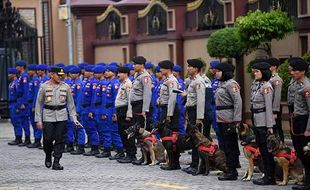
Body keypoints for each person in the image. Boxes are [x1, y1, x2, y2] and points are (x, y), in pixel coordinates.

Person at [35, 67, 79, 170]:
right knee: (47, 139)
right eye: (58, 75)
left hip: (62, 116)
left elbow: (71, 104)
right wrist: (38, 119)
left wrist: (74, 119)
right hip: (48, 116)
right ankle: (48, 155)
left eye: (62, 75)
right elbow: (38, 103)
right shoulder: (44, 86)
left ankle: (56, 161)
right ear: (52, 74)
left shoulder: (66, 87)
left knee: (60, 139)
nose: (61, 77)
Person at [117, 56, 152, 164]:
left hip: (141, 106)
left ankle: (146, 157)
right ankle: (141, 156)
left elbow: (147, 94)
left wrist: (145, 109)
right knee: (136, 132)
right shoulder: (137, 75)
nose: (133, 66)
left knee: (141, 132)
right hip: (135, 105)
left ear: (141, 65)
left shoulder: (145, 77)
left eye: (136, 64)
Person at [214, 62, 242, 181]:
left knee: (231, 145)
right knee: (225, 144)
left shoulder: (231, 84)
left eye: (218, 71)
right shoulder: (223, 84)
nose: (216, 73)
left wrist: (236, 119)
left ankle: (232, 171)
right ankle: (228, 168)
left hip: (229, 118)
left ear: (225, 72)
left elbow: (237, 101)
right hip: (221, 117)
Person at [250, 62, 276, 185]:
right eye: (254, 71)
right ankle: (267, 174)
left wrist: (269, 126)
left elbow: (269, 108)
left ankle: (270, 176)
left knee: (266, 151)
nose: (254, 73)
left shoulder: (266, 86)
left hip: (264, 122)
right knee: (262, 150)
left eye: (257, 71)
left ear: (264, 72)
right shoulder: (259, 85)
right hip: (257, 120)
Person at [288, 57, 310, 190]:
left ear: (302, 71)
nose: (292, 73)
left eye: (294, 70)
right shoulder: (295, 84)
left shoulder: (307, 87)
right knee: (299, 152)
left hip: (304, 121)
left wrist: (308, 129)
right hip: (296, 121)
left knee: (306, 153)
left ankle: (308, 182)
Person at [182, 59, 206, 175]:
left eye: (190, 67)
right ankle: (194, 164)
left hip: (196, 112)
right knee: (192, 139)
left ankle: (197, 165)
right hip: (191, 111)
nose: (188, 68)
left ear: (196, 69)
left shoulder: (199, 81)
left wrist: (199, 117)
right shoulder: (193, 81)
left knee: (196, 139)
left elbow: (201, 100)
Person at [158, 60, 180, 170]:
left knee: (172, 138)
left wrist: (169, 114)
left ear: (167, 69)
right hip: (165, 108)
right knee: (167, 137)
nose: (160, 70)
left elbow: (172, 98)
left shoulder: (172, 81)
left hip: (170, 110)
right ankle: (171, 162)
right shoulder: (166, 80)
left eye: (162, 68)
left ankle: (174, 163)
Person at [114, 66, 134, 161]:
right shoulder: (122, 84)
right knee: (122, 133)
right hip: (120, 111)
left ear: (125, 74)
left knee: (127, 133)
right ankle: (128, 154)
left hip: (125, 110)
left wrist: (129, 114)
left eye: (120, 73)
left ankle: (131, 155)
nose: (118, 75)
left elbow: (130, 100)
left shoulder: (128, 84)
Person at [68, 66, 86, 155]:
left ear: (78, 74)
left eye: (73, 73)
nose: (71, 75)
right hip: (71, 108)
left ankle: (81, 146)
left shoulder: (79, 84)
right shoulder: (71, 83)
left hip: (76, 109)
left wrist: (78, 110)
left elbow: (79, 98)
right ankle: (73, 144)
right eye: (70, 73)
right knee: (72, 127)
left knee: (79, 127)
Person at [267, 58, 284, 142]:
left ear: (274, 67)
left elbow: (277, 96)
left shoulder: (276, 79)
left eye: (269, 65)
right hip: (269, 106)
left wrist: (275, 111)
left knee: (277, 127)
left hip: (274, 108)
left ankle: (281, 145)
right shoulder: (268, 78)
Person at [15, 60, 31, 146]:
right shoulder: (20, 76)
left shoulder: (24, 76)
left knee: (25, 121)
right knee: (21, 120)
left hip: (23, 100)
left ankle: (28, 139)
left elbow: (25, 90)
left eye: (17, 66)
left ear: (22, 67)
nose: (16, 68)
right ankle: (25, 138)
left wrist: (23, 103)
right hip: (19, 99)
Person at [7, 68, 23, 145]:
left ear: (14, 74)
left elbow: (19, 95)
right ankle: (16, 136)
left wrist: (18, 106)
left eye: (10, 73)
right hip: (11, 104)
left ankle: (19, 138)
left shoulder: (17, 83)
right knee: (13, 121)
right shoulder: (11, 83)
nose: (8, 75)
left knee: (17, 121)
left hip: (15, 103)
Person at [208, 61, 221, 148]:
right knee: (216, 130)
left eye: (212, 68)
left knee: (220, 131)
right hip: (212, 108)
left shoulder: (219, 81)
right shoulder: (213, 80)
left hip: (217, 108)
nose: (210, 70)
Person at [172, 65, 186, 135]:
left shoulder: (180, 83)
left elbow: (180, 97)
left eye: (174, 71)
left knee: (180, 126)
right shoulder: (173, 81)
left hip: (179, 107)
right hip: (174, 107)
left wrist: (179, 108)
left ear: (178, 72)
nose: (173, 72)